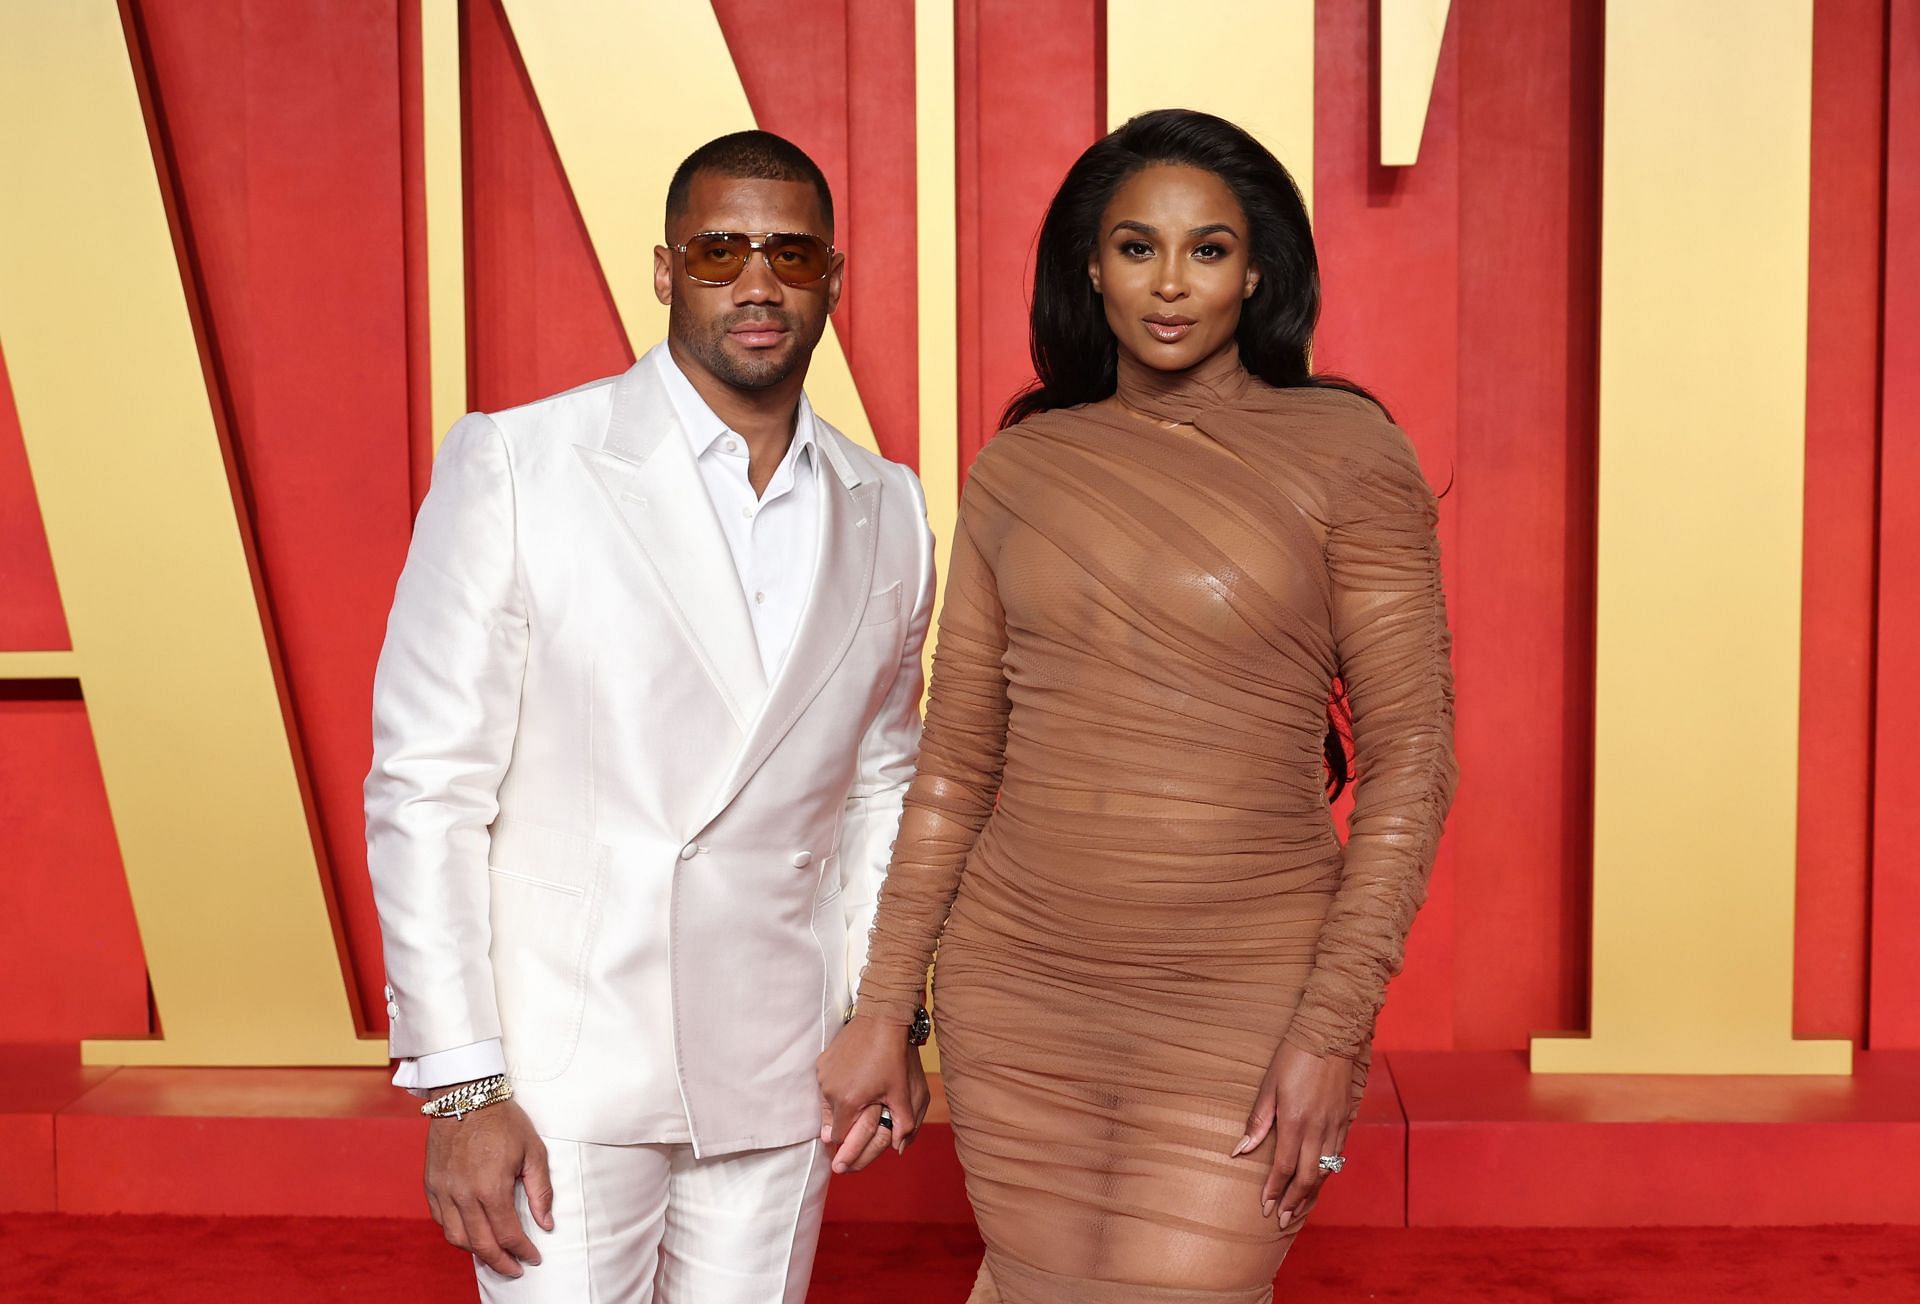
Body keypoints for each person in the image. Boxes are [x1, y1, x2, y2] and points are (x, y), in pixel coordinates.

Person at [818, 108, 1457, 1301]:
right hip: (1020, 981)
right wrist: (886, 1008)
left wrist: (1333, 1026)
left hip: (1248, 979)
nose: (1171, 283)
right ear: (1090, 268)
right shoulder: (1022, 466)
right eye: (1135, 247)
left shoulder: (1347, 452)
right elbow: (955, 768)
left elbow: (1414, 764)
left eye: (1208, 249)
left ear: (1258, 269)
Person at [365, 129, 935, 1303]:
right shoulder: (522, 462)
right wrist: (465, 1084)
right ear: (666, 271)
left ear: (835, 275)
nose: (759, 281)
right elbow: (427, 786)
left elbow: (886, 781)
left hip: (783, 1061)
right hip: (559, 1061)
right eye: (721, 251)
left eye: (791, 252)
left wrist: (888, 1013)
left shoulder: (893, 506)